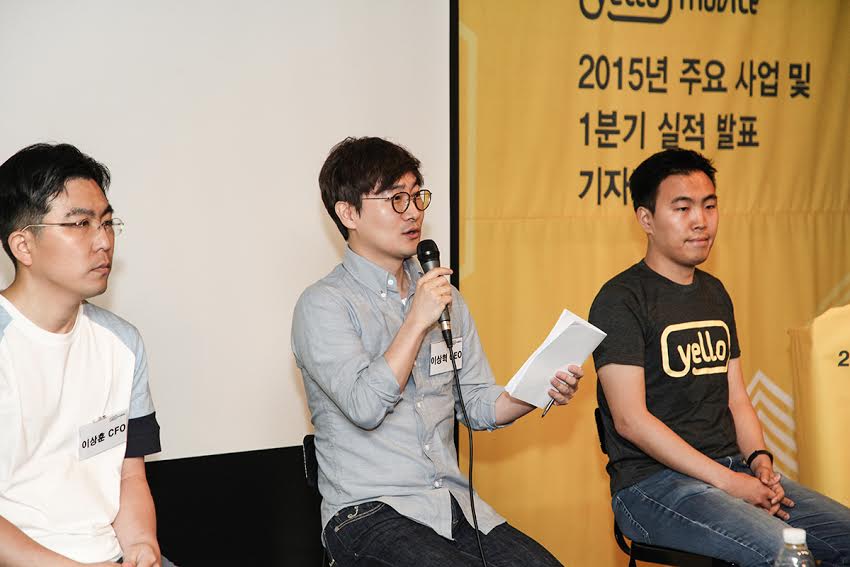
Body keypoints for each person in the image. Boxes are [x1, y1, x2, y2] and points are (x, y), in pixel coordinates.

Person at [292, 136, 582, 566]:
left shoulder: (445, 298)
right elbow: (365, 406)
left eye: (417, 196)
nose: (413, 212)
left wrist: (539, 389)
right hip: (368, 514)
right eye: (396, 199)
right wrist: (416, 321)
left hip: (454, 505)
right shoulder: (323, 305)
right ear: (348, 213)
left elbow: (476, 404)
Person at [588, 148, 850, 567]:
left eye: (709, 206)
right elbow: (630, 420)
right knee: (782, 551)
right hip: (652, 486)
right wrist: (730, 483)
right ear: (646, 219)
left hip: (731, 469)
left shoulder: (714, 293)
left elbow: (737, 400)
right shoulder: (620, 299)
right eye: (683, 208)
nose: (701, 220)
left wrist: (759, 462)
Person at [0, 143, 164, 567]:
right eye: (80, 224)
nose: (104, 241)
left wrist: (142, 545)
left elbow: (129, 473)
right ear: (23, 245)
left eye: (107, 222)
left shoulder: (122, 343)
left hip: (109, 554)